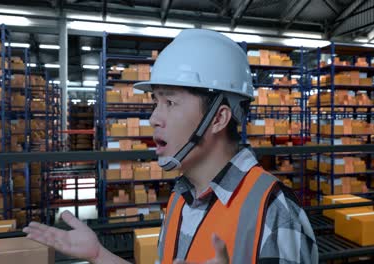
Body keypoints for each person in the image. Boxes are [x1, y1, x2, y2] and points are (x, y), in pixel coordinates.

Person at [23, 29, 318, 264]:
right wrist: (100, 255)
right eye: (155, 102)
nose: (153, 118)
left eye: (170, 102)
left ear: (218, 117)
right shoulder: (181, 197)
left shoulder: (274, 212)